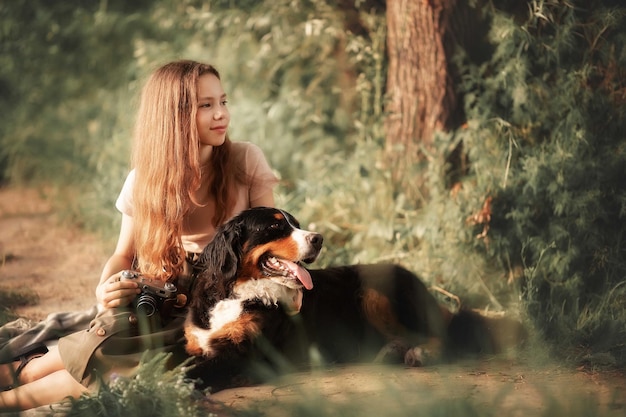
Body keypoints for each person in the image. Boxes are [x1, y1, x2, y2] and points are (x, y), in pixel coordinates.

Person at [0, 60, 278, 411]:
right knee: (111, 340)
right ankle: (22, 372)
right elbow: (123, 255)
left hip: (224, 295)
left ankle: (11, 398)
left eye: (223, 101)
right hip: (165, 290)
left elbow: (272, 239)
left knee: (149, 363)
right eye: (206, 106)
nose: (221, 114)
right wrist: (104, 290)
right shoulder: (144, 179)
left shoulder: (246, 160)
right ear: (172, 116)